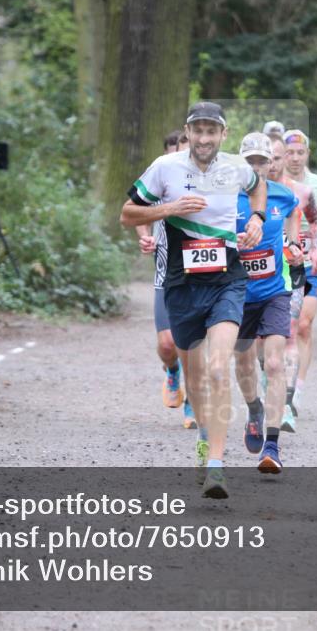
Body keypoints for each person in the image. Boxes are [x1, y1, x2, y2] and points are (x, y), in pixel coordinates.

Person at [120, 101, 267, 499]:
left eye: (212, 131)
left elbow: (258, 188)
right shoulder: (164, 168)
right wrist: (169, 208)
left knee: (218, 367)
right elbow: (127, 213)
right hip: (181, 284)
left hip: (226, 281)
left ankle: (217, 466)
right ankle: (204, 437)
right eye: (197, 131)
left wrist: (256, 219)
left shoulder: (236, 166)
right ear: (187, 132)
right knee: (196, 376)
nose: (204, 138)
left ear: (223, 134)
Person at [232, 132, 305, 473]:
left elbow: (294, 221)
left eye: (264, 161)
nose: (258, 168)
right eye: (251, 162)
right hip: (236, 295)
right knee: (245, 365)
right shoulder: (226, 198)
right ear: (240, 164)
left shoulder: (283, 195)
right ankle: (254, 409)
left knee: (274, 364)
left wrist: (294, 246)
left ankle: (272, 446)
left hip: (275, 292)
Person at [135, 131, 194, 427]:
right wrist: (145, 237)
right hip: (166, 275)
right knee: (169, 344)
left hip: (202, 276)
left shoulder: (212, 184)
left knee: (197, 344)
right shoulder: (161, 179)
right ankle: (172, 373)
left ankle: (193, 401)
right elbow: (139, 210)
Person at [268, 135, 317, 432]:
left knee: (291, 333)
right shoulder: (248, 192)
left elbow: (316, 220)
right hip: (257, 274)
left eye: (280, 157)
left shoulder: (302, 192)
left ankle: (287, 402)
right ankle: (270, 387)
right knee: (257, 344)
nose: (275, 163)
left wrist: (314, 247)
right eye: (272, 157)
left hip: (292, 271)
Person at [283, 129, 317, 422]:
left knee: (303, 325)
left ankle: (296, 390)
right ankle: (278, 384)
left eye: (300, 153)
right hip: (284, 260)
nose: (295, 158)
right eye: (290, 153)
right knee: (282, 327)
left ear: (307, 154)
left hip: (310, 260)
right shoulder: (274, 183)